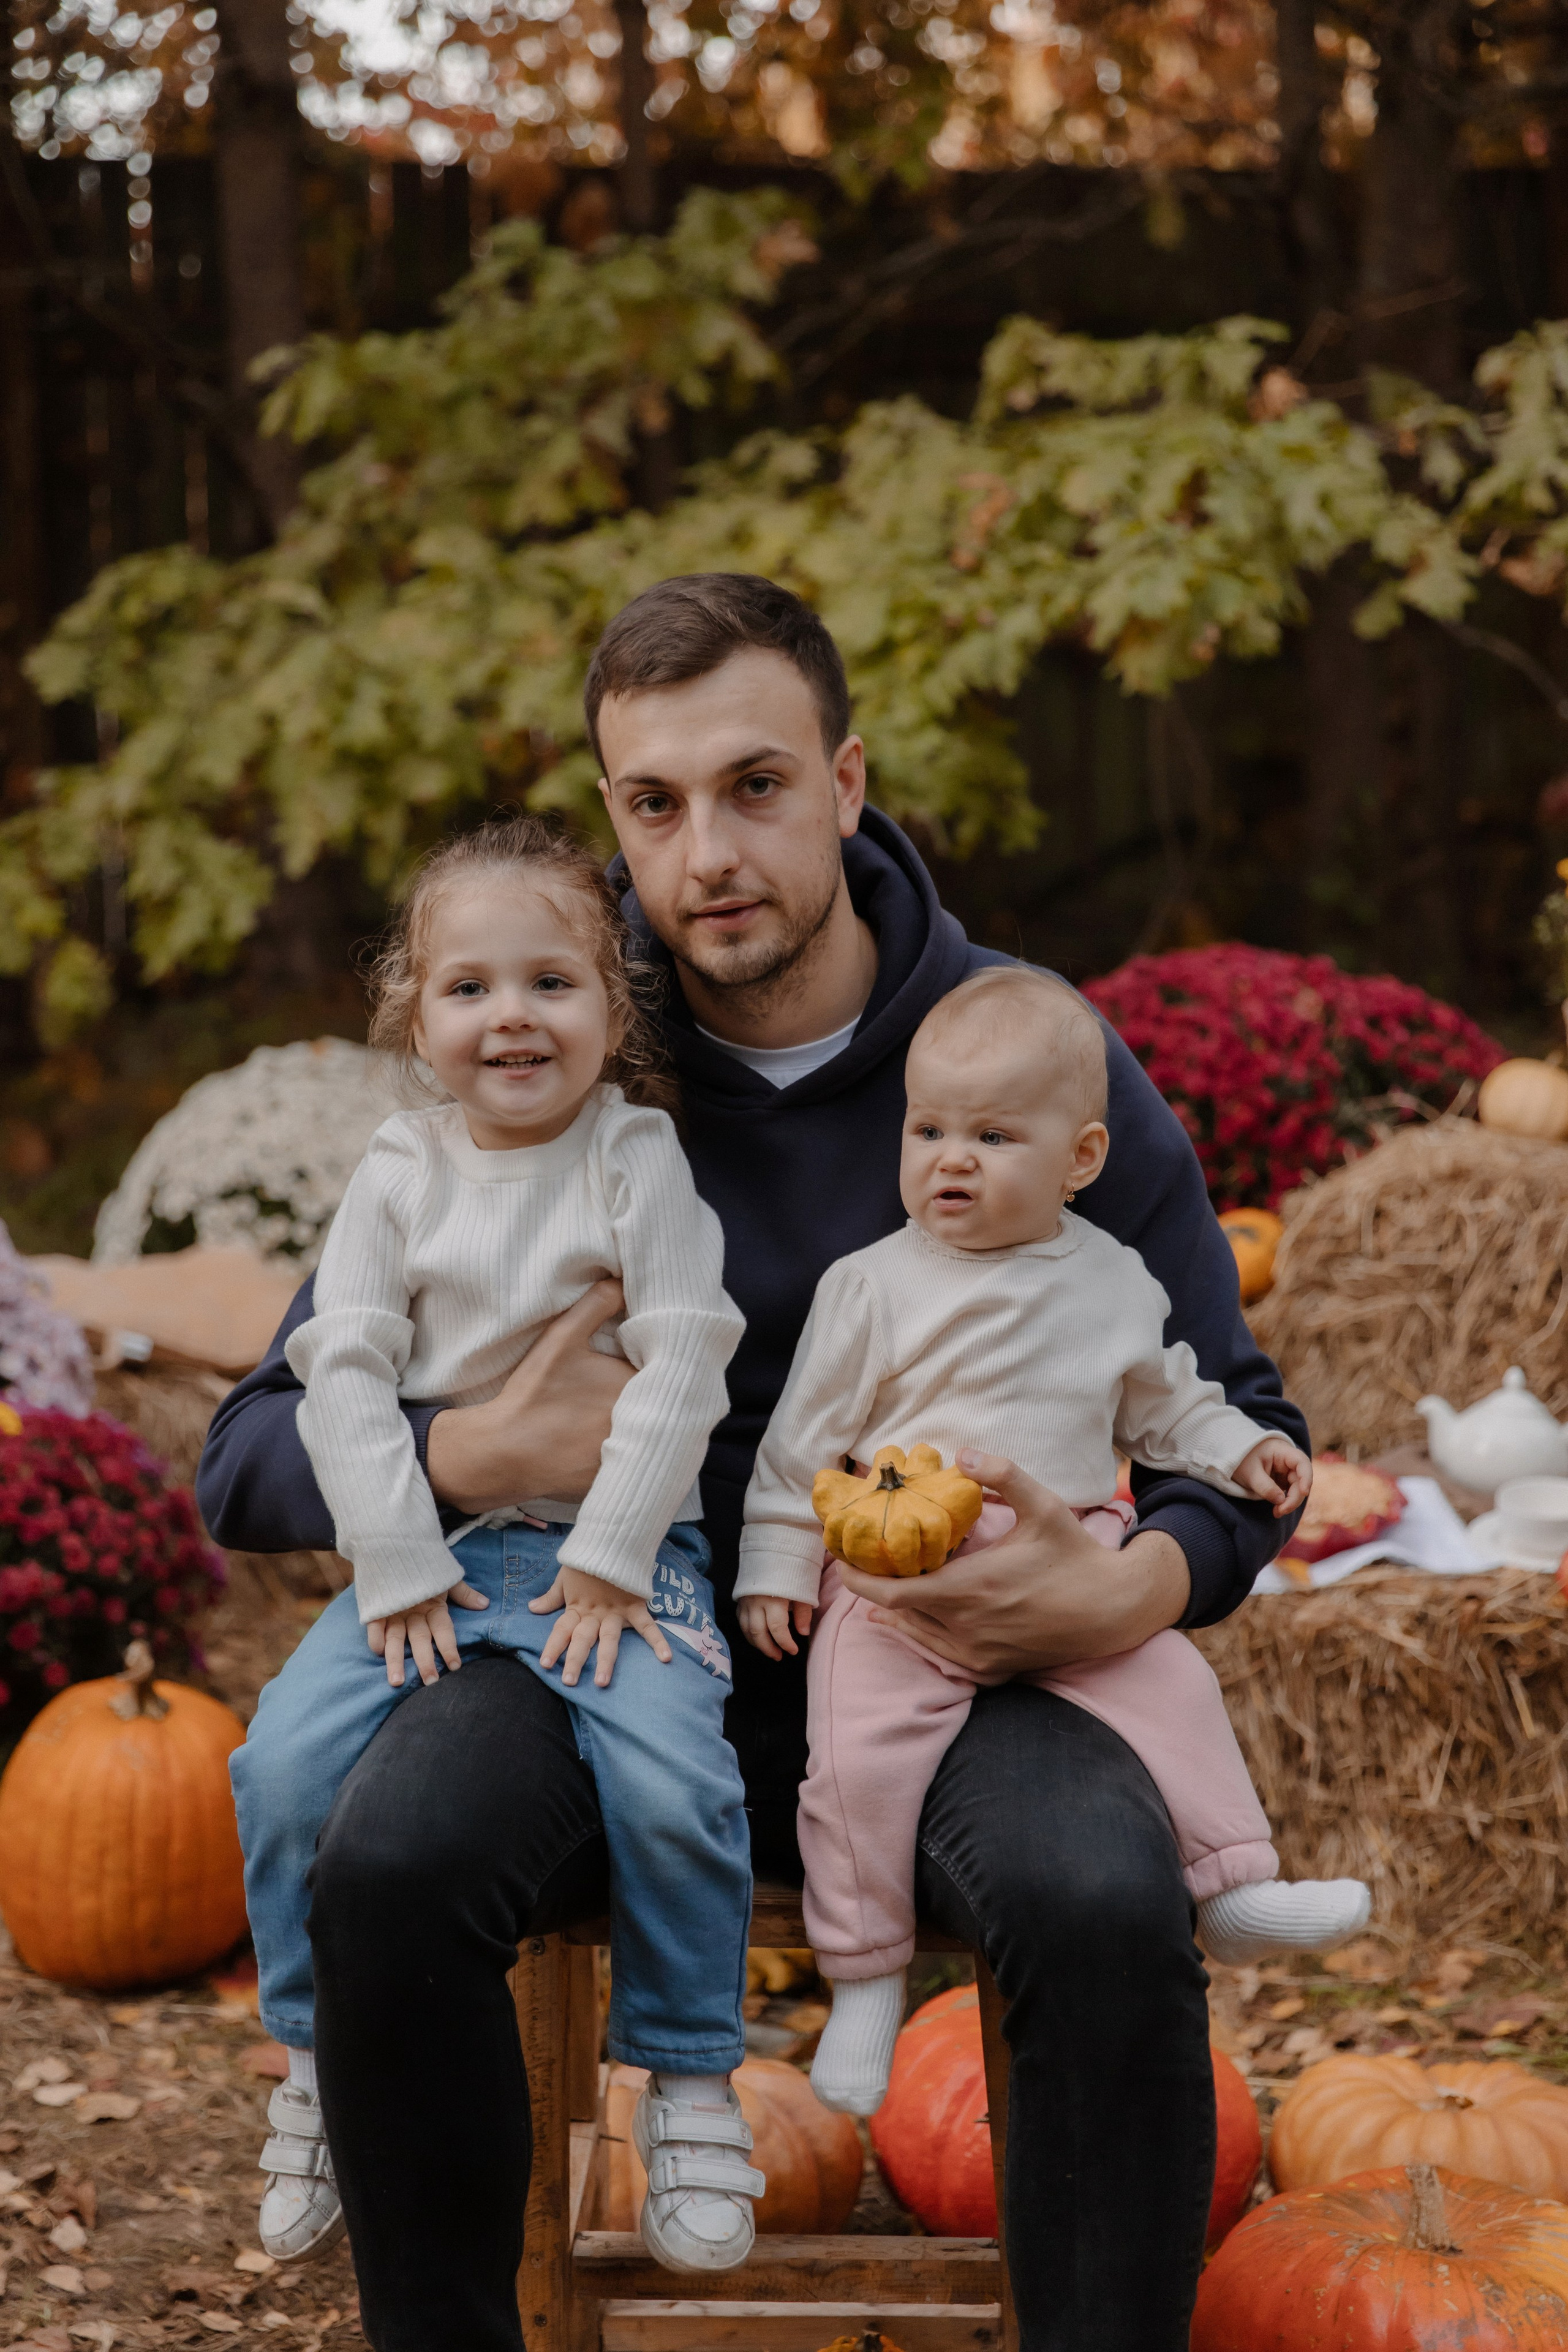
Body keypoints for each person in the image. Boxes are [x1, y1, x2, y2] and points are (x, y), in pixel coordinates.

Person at [197, 571, 1311, 2352]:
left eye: (756, 786)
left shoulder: (1019, 1055)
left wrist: (1128, 1582)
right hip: (592, 1638)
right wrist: (475, 1445)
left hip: (972, 1665)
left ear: (849, 784)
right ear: (614, 823)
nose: (706, 849)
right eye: (654, 803)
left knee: (1104, 1896)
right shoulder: (549, 1056)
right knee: (387, 1853)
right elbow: (247, 1453)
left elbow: (1236, 1417)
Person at [230, 818, 763, 2276]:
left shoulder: (633, 1155)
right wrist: (396, 1562)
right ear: (415, 1014)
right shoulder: (397, 1171)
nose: (510, 1017)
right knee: (277, 1764)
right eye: (469, 988)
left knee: (675, 1779)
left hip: (615, 1563)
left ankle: (693, 2084)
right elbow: (336, 1373)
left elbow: (681, 1358)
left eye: (550, 983)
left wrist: (608, 1550)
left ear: (611, 1007)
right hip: (439, 1563)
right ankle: (310, 2070)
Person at [737, 963, 1368, 2116]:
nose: (950, 1159)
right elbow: (801, 1445)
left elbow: (1167, 1403)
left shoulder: (1113, 1281)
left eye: (992, 1134)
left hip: (1074, 1558)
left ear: (1080, 1160)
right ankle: (866, 1977)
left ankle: (1232, 1887)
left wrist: (1239, 1456)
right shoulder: (870, 1287)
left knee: (1177, 1690)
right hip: (899, 1579)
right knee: (854, 1766)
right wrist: (779, 1565)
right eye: (927, 1129)